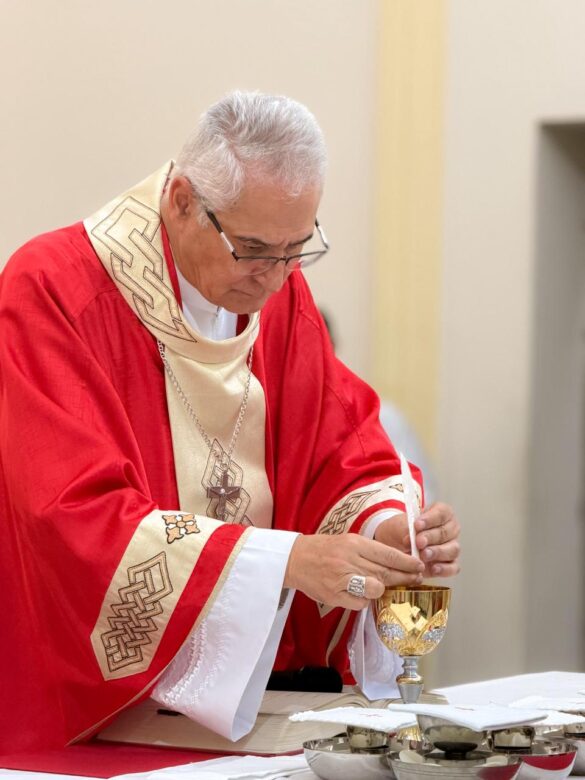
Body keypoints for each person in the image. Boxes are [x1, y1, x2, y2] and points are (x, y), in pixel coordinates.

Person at [0, 91, 460, 754]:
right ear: (182, 200)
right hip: (99, 712)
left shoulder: (275, 292)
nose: (273, 279)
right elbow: (69, 513)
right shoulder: (57, 290)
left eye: (296, 249)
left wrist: (380, 531)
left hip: (256, 699)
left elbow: (337, 447)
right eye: (251, 249)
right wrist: (286, 561)